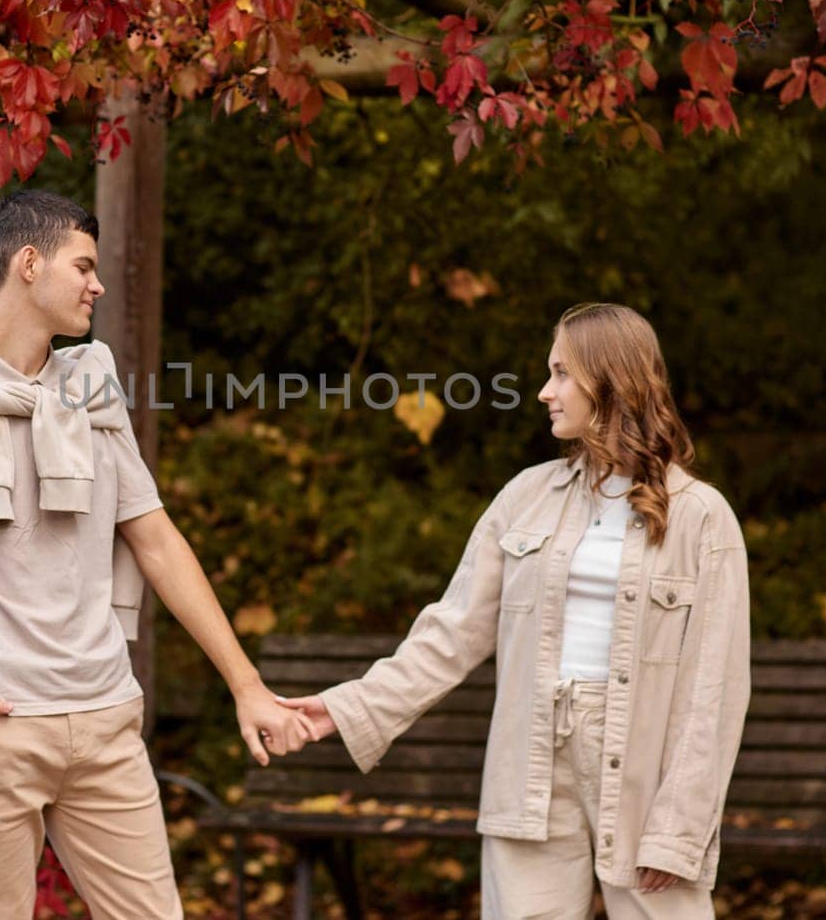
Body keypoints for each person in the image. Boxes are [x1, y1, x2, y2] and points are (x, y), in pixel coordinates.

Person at [0, 190, 311, 919]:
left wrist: (246, 684)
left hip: (106, 722)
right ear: (29, 264)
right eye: (83, 265)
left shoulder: (92, 390)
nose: (98, 284)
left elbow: (154, 539)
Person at [282, 303, 750, 920]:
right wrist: (344, 708)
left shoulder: (701, 516)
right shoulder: (525, 497)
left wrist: (679, 829)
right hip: (531, 755)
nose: (543, 392)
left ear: (608, 381)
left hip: (644, 769)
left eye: (561, 374)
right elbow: (450, 632)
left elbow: (712, 690)